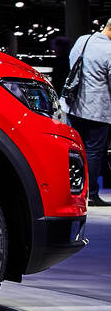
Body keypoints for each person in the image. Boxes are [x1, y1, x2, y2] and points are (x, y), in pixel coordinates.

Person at [67, 20, 111, 206]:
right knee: (93, 153)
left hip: (74, 106)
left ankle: (74, 191)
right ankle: (91, 194)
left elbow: (73, 65)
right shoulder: (109, 50)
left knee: (77, 151)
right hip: (97, 109)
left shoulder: (83, 40)